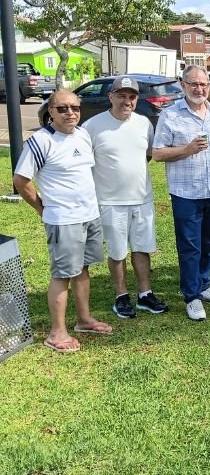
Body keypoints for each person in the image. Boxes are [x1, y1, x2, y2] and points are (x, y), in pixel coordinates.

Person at [13, 90, 112, 352]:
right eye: (63, 108)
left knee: (82, 269)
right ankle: (57, 333)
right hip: (63, 219)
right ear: (51, 112)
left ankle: (84, 319)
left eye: (75, 108)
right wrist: (41, 208)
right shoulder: (41, 141)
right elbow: (21, 181)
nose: (71, 113)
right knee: (62, 274)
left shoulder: (82, 135)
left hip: (89, 215)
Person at [152, 65, 210, 321]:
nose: (199, 89)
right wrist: (187, 149)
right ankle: (192, 296)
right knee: (190, 246)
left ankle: (203, 284)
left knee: (208, 242)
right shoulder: (170, 115)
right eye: (194, 84)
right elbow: (157, 153)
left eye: (203, 84)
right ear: (183, 85)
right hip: (186, 193)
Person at [84, 76, 167, 319]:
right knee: (118, 252)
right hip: (110, 201)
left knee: (142, 248)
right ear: (110, 96)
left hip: (142, 199)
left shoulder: (144, 124)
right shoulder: (93, 126)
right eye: (121, 95)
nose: (126, 101)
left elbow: (148, 155)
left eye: (132, 97)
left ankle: (144, 294)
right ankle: (121, 296)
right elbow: (86, 164)